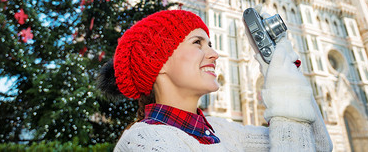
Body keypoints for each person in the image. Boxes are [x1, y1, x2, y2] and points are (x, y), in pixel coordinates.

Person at [97, 9, 333, 151]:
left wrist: (279, 63)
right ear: (158, 63)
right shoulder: (145, 141)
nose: (214, 53)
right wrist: (284, 87)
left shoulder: (219, 130)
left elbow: (315, 143)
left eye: (209, 43)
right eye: (197, 43)